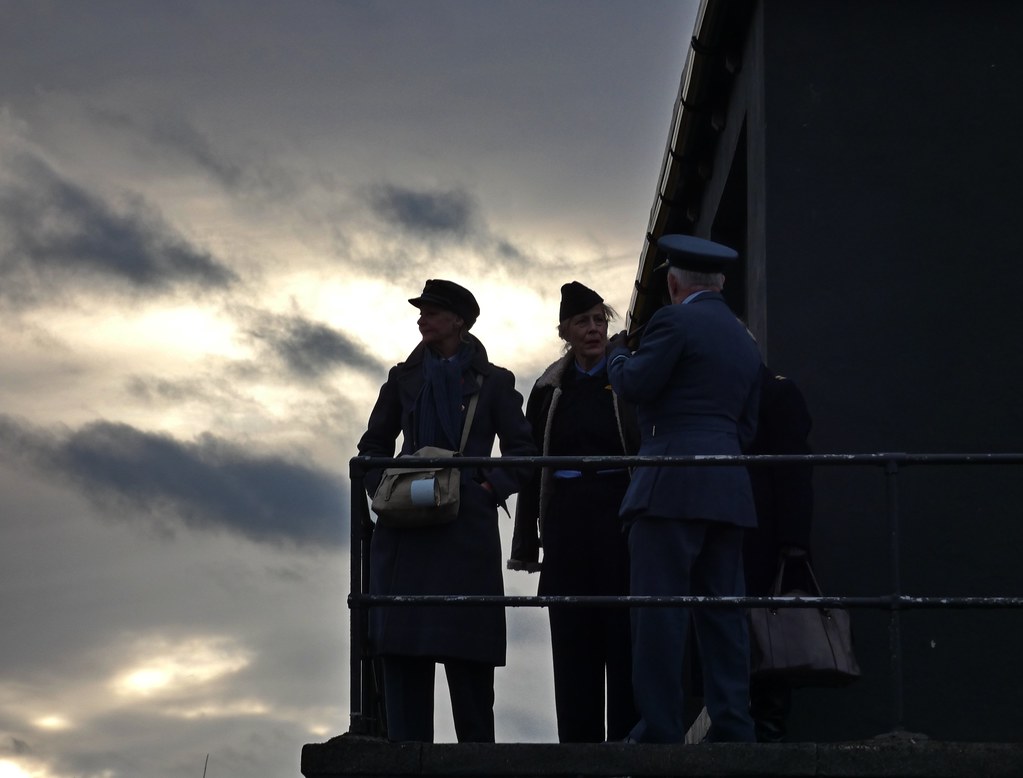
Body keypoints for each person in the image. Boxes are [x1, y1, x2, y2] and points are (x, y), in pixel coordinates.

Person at [357, 279, 536, 743]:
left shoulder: (495, 383)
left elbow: (523, 452)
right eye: (422, 311)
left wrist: (483, 489)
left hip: (465, 536)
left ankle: (477, 768)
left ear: (459, 320)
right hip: (404, 537)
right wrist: (387, 489)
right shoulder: (402, 378)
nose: (422, 318)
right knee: (403, 660)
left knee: (470, 666)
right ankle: (405, 763)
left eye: (432, 311)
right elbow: (372, 446)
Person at [607, 234, 762, 744]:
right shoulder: (744, 337)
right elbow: (748, 425)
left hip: (669, 484)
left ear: (674, 283)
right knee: (723, 612)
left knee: (659, 610)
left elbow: (636, 386)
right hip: (727, 486)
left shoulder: (672, 320)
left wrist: (616, 359)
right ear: (717, 283)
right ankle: (734, 725)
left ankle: (659, 726)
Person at [509, 281, 639, 743]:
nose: (593, 329)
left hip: (619, 521)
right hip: (565, 526)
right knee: (572, 640)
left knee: (624, 636)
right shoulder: (548, 390)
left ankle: (627, 748)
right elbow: (530, 463)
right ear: (565, 331)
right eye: (582, 322)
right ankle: (578, 752)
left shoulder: (628, 378)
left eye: (599, 320)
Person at [744, 363, 814, 742]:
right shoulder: (761, 391)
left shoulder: (777, 393)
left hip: (768, 534)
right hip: (747, 530)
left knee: (770, 629)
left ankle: (768, 724)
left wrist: (793, 543)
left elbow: (795, 472)